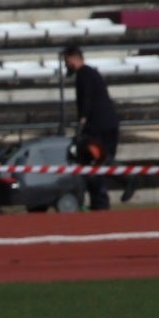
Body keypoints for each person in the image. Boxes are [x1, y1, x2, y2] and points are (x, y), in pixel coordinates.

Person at [62, 44, 123, 212]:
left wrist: (81, 125)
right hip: (109, 124)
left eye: (66, 61)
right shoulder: (92, 73)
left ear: (73, 58)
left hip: (98, 127)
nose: (66, 65)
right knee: (103, 162)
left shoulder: (83, 75)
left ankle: (100, 202)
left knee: (90, 163)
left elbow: (86, 101)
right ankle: (111, 191)